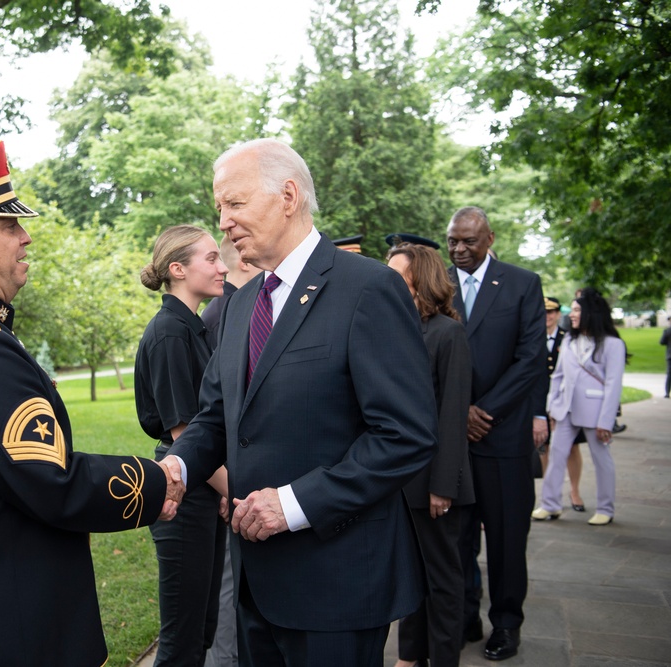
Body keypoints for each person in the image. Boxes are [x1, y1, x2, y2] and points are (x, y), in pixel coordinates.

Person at [0, 141, 183, 666]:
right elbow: (52, 482)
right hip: (12, 625)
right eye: (8, 226)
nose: (26, 237)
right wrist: (157, 481)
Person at [165, 138, 437, 667]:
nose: (222, 221)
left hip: (336, 585)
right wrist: (175, 468)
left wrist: (291, 506)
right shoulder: (241, 304)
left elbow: (405, 436)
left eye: (234, 203)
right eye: (219, 206)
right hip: (255, 583)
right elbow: (218, 419)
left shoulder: (368, 288)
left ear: (288, 195)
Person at [447, 206, 545, 662]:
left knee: (507, 541)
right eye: (452, 241)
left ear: (488, 238)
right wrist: (456, 413)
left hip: (502, 438)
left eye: (468, 241)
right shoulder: (440, 283)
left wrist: (482, 411)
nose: (459, 249)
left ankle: (506, 624)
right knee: (457, 539)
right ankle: (465, 616)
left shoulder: (522, 283)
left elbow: (530, 360)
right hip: (452, 443)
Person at [135, 225, 229, 666]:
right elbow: (185, 436)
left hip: (203, 489)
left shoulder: (192, 326)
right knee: (182, 639)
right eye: (211, 258)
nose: (223, 266)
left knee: (202, 629)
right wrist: (236, 489)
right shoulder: (170, 332)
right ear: (177, 269)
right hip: (182, 492)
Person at [387, 241, 474, 667]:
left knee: (443, 581)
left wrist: (443, 485)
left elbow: (453, 415)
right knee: (410, 576)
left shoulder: (447, 332)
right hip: (399, 483)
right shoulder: (394, 329)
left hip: (434, 484)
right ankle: (408, 657)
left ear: (420, 281)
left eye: (397, 277)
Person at [200, 234, 258, 667]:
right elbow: (212, 412)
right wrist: (229, 486)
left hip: (236, 482)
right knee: (228, 591)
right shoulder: (227, 309)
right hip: (228, 482)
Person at [533, 288, 626, 526]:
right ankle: (550, 505)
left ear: (590, 313)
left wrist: (606, 421)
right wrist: (552, 409)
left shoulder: (613, 344)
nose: (571, 314)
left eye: (576, 310)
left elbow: (614, 386)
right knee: (556, 457)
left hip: (596, 414)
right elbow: (558, 377)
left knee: (601, 460)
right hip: (565, 410)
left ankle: (605, 508)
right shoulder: (571, 340)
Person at [534, 297, 585, 511]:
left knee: (572, 447)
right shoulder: (532, 337)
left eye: (552, 312)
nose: (548, 316)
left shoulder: (567, 338)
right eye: (544, 312)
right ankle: (549, 496)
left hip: (565, 402)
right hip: (539, 400)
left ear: (557, 314)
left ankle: (574, 491)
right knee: (542, 447)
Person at [662, 323, 671, 398]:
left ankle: (667, 392)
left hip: (670, 355)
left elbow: (662, 342)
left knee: (669, 374)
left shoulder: (667, 331)